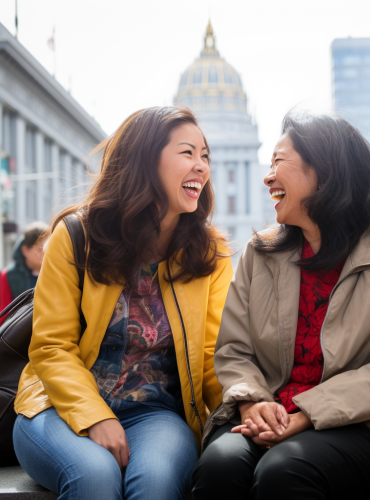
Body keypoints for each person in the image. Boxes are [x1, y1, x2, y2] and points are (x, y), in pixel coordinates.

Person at [192, 111, 370, 500]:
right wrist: (253, 403)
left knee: (285, 471)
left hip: (369, 423)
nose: (267, 177)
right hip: (267, 410)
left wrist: (306, 415)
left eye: (278, 162)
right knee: (220, 466)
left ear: (325, 169)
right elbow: (234, 351)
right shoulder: (261, 251)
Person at [12, 107, 232, 500]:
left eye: (205, 155)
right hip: (56, 407)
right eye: (187, 153)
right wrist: (94, 416)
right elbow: (51, 346)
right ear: (145, 160)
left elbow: (213, 357)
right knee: (94, 477)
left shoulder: (209, 253)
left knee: (156, 484)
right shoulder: (77, 235)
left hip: (156, 415)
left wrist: (242, 409)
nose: (201, 166)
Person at [0, 222, 48, 327]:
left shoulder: (58, 272)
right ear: (25, 250)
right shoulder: (8, 275)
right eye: (40, 249)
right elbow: (3, 314)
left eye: (48, 248)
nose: (45, 253)